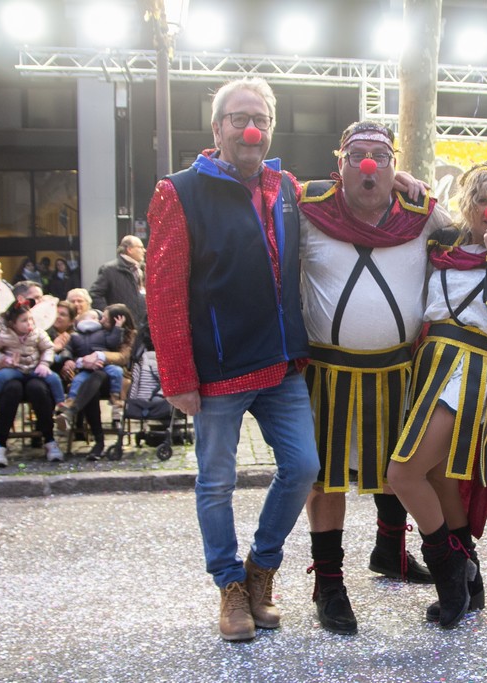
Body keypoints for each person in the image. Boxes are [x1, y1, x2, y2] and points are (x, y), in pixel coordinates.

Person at [146, 77, 321, 642]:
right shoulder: (178, 191)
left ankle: (260, 568)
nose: (251, 129)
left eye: (261, 119)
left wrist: (408, 180)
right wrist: (178, 376)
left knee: (303, 468)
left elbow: (342, 201)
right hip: (219, 368)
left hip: (281, 362)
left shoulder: (286, 186)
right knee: (216, 482)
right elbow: (164, 291)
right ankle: (229, 586)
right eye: (240, 118)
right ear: (217, 127)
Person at [297, 120, 454, 635]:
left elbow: (466, 240)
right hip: (327, 373)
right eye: (357, 155)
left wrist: (423, 192)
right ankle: (329, 583)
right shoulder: (308, 211)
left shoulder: (421, 215)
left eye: (380, 157)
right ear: (339, 163)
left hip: (400, 371)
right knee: (327, 479)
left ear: (394, 165)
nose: (368, 165)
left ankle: (390, 550)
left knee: (398, 465)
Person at [387, 161, 487, 630]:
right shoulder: (447, 243)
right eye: (481, 200)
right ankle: (471, 578)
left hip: (471, 368)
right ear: (467, 204)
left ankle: (450, 572)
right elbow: (426, 206)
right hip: (430, 363)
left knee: (403, 473)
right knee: (436, 476)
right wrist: (400, 178)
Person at [0, 300, 66, 466]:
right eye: (24, 320)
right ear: (13, 323)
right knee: (10, 388)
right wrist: (1, 359)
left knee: (40, 387)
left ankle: (51, 435)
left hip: (35, 370)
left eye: (30, 319)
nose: (29, 323)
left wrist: (44, 364)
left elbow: (48, 348)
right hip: (13, 371)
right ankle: (0, 444)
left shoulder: (38, 333)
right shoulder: (2, 334)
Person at [56, 305, 132, 432]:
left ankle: (115, 398)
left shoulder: (105, 333)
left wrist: (117, 329)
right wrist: (69, 360)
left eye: (102, 319)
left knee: (116, 371)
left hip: (105, 367)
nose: (101, 321)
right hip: (85, 371)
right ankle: (69, 405)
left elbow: (114, 345)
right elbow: (68, 350)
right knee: (78, 381)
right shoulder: (74, 336)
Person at [90, 236, 146, 329]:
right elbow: (95, 294)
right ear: (129, 249)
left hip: (142, 326)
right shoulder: (109, 269)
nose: (144, 250)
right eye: (140, 247)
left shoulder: (142, 269)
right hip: (122, 327)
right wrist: (110, 315)